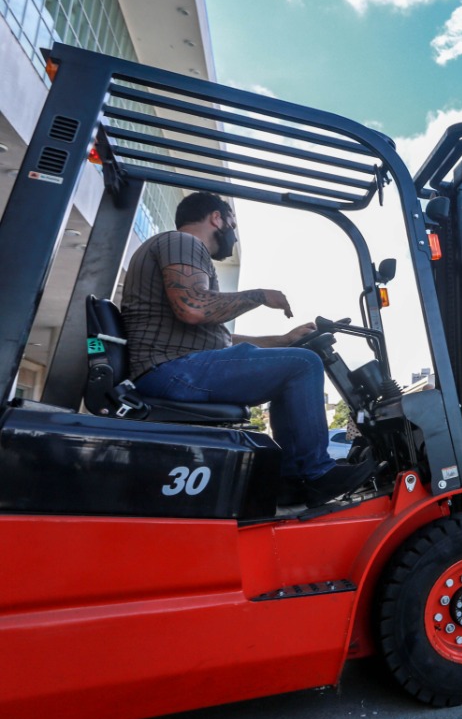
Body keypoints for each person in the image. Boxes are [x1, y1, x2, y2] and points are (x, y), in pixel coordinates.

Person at [121, 191, 373, 507]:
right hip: (171, 369)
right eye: (233, 224)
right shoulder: (183, 243)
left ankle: (294, 483)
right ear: (217, 218)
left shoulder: (178, 248)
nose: (233, 234)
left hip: (177, 367)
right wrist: (259, 295)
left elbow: (221, 341)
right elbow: (194, 308)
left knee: (293, 360)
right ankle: (314, 476)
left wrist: (283, 340)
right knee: (303, 364)